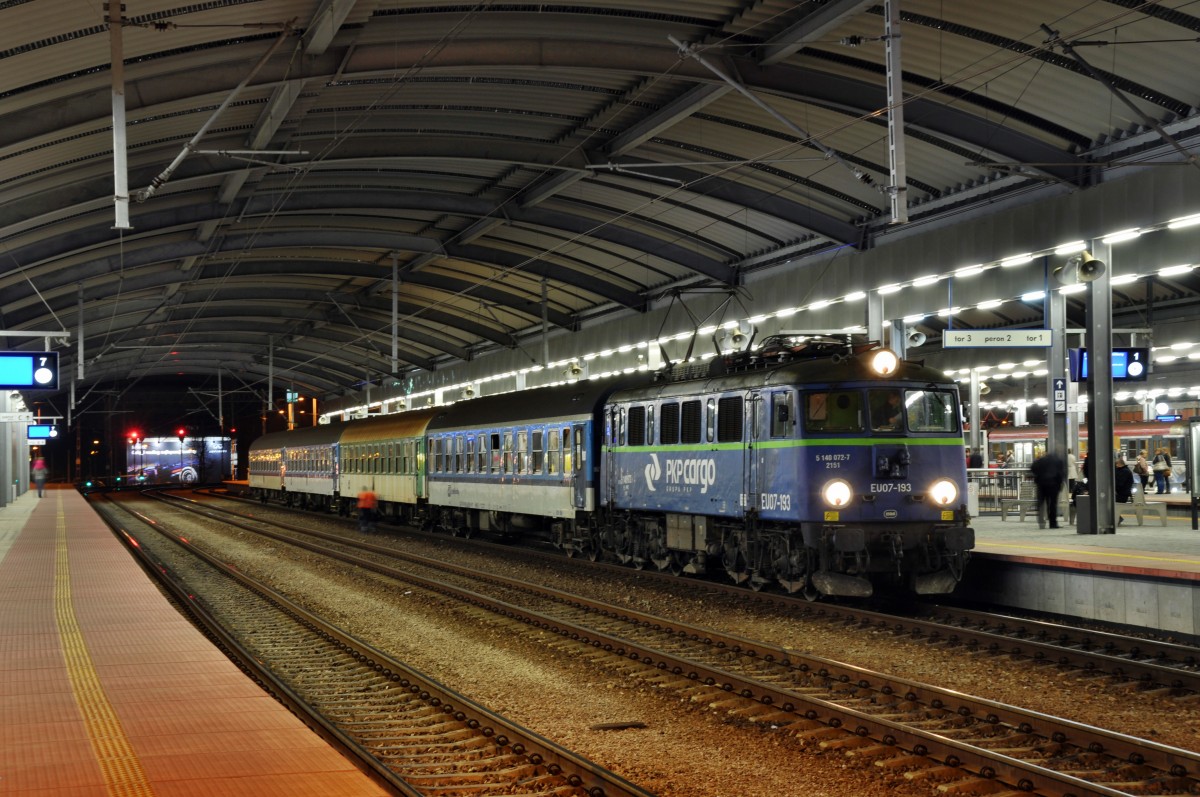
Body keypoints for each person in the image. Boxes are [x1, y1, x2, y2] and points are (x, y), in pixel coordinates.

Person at [1029, 450, 1065, 529]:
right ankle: (1053, 523)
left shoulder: (1041, 460)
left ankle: (1041, 522)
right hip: (1054, 485)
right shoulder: (1058, 461)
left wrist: (1038, 476)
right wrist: (1060, 483)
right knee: (1053, 504)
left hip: (1041, 484)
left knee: (1041, 503)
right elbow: (1062, 473)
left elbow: (1032, 468)